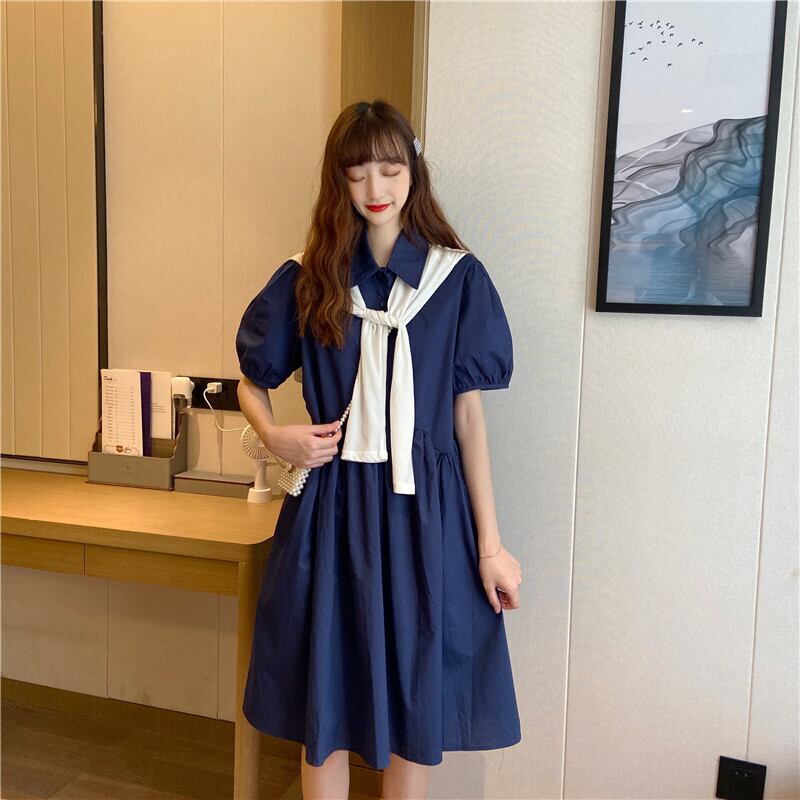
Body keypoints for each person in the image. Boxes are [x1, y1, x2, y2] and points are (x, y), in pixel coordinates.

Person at [236, 99, 523, 800]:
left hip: (426, 514)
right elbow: (250, 382)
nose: (375, 188)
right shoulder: (308, 276)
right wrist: (274, 436)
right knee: (325, 699)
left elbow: (467, 420)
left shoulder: (456, 280)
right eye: (357, 171)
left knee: (416, 693)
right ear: (338, 179)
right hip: (331, 510)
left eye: (390, 169)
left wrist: (490, 546)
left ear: (414, 172)